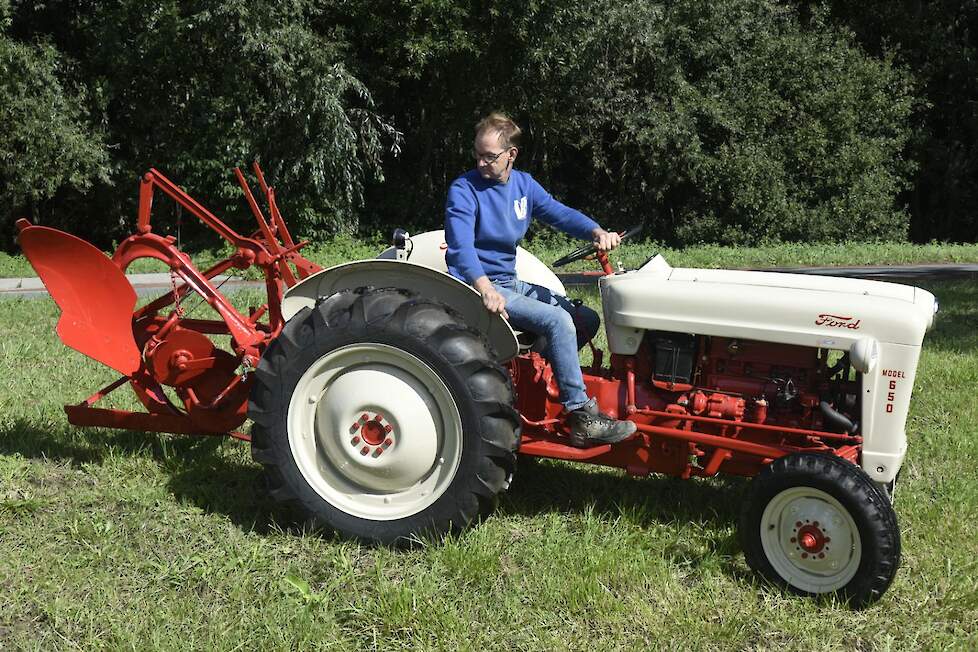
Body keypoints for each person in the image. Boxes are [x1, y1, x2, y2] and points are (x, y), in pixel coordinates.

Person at [444, 112, 637, 448]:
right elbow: (460, 247)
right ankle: (581, 416)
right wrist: (485, 288)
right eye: (478, 154)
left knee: (584, 319)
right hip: (477, 286)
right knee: (559, 321)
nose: (481, 163)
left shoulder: (523, 185)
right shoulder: (465, 189)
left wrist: (595, 230)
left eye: (489, 156)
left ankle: (534, 386)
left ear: (511, 155)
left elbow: (558, 213)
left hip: (507, 281)